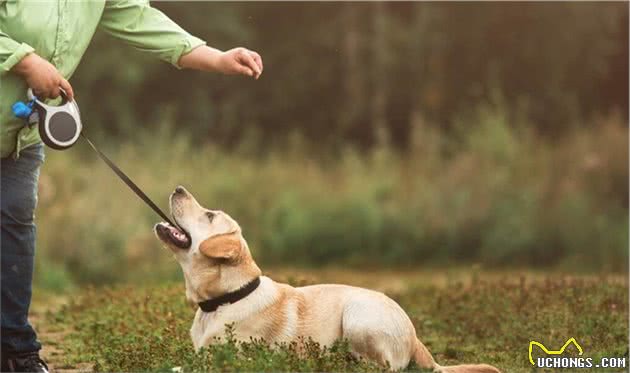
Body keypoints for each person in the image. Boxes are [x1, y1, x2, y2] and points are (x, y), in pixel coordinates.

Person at [0, 1, 263, 371]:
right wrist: (25, 61)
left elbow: (140, 19)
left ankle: (15, 353)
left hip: (17, 138)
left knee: (14, 228)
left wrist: (216, 58)